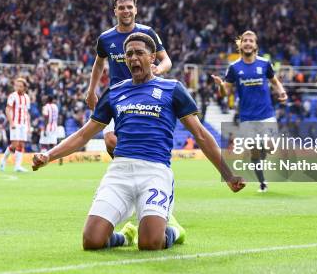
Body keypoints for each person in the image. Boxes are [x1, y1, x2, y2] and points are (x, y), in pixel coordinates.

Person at [33, 33, 245, 251]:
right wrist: (48, 155)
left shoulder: (172, 89)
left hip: (155, 172)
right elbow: (83, 135)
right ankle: (124, 237)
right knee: (92, 241)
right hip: (120, 172)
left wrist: (228, 175)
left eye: (139, 53)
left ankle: (174, 231)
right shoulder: (115, 92)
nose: (133, 58)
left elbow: (201, 135)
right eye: (129, 54)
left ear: (152, 57)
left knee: (150, 243)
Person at [85, 0, 172, 156]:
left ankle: (135, 167)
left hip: (143, 93)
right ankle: (126, 167)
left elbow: (167, 60)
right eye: (122, 7)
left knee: (139, 140)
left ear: (136, 10)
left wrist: (158, 69)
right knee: (111, 142)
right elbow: (98, 64)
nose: (126, 11)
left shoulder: (147, 33)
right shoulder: (105, 38)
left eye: (129, 7)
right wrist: (91, 90)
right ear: (115, 11)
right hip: (117, 94)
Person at [212, 30, 287, 193]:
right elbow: (225, 92)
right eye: (245, 40)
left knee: (271, 147)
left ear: (255, 45)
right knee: (254, 152)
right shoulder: (234, 68)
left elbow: (274, 81)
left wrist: (281, 91)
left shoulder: (264, 64)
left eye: (251, 41)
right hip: (247, 117)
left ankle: (261, 151)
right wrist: (220, 85)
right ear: (241, 44)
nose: (247, 43)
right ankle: (262, 183)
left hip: (266, 114)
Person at [0, 78, 31, 172]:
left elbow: (27, 112)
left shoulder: (27, 97)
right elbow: (7, 109)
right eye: (17, 86)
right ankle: (3, 160)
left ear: (24, 87)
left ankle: (17, 166)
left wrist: (28, 125)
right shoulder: (12, 96)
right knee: (15, 144)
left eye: (20, 86)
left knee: (21, 144)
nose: (18, 88)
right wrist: (11, 122)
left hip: (24, 123)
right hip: (15, 123)